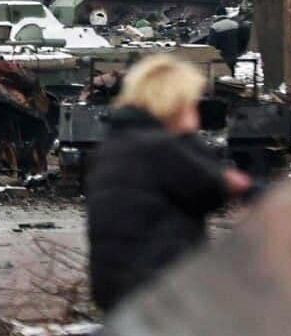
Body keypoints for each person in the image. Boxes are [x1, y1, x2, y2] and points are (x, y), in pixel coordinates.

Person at [87, 54, 253, 312]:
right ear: (173, 102)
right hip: (158, 291)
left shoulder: (119, 142)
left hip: (123, 290)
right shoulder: (159, 148)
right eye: (190, 101)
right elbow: (212, 189)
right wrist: (187, 136)